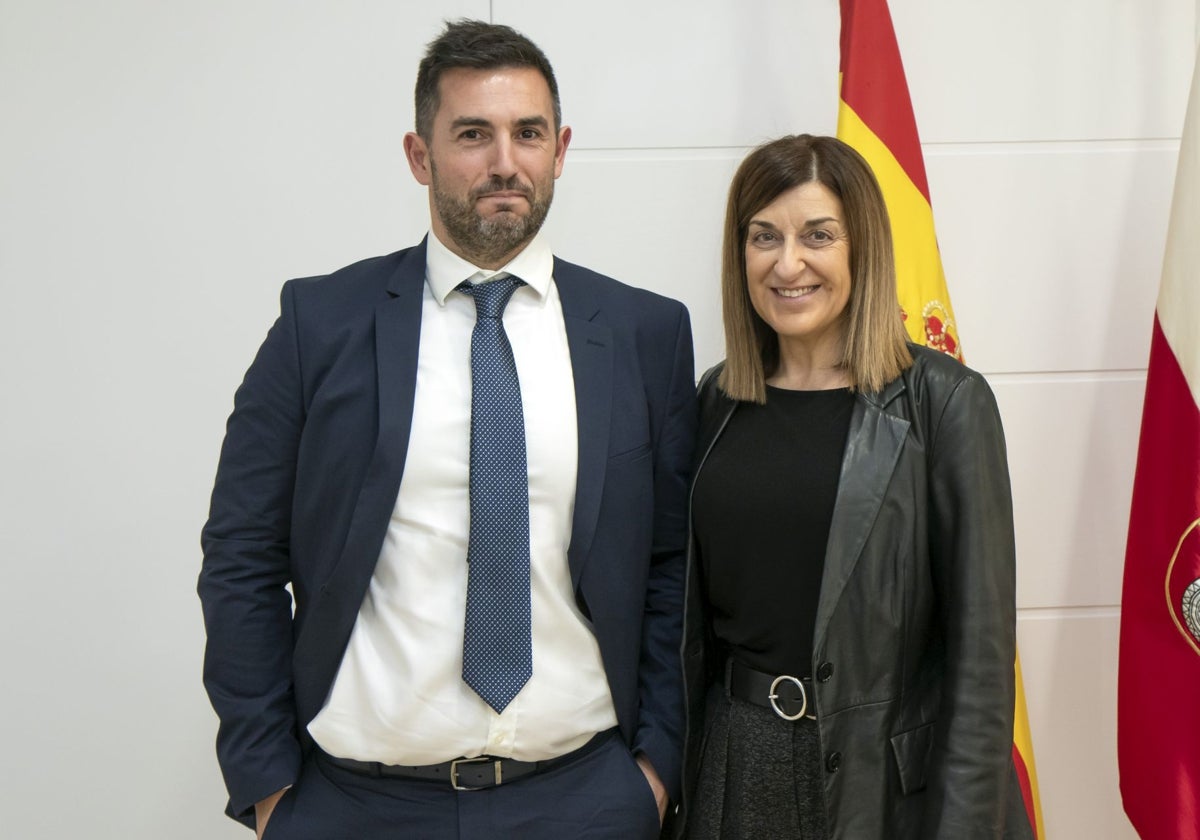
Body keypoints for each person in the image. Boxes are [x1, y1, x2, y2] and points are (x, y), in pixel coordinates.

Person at [198, 19, 696, 839]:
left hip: (585, 799)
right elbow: (241, 555)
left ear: (561, 149)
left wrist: (652, 773)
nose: (505, 162)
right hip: (358, 806)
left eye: (528, 133)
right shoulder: (317, 325)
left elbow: (671, 567)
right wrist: (268, 789)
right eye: (473, 134)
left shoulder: (644, 334)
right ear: (419, 155)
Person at [677, 135, 1030, 839]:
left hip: (884, 791)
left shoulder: (944, 404)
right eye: (763, 237)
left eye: (818, 236)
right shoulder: (714, 402)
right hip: (733, 768)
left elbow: (983, 669)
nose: (788, 263)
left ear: (861, 246)